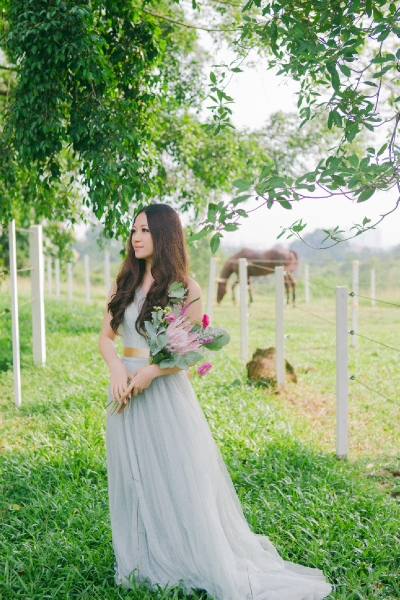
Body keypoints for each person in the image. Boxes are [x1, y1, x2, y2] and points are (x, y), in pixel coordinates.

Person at [98, 203, 332, 599]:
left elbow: (188, 351)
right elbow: (106, 338)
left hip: (164, 391)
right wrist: (118, 371)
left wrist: (152, 371)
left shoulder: (187, 288)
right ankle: (142, 555)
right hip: (124, 389)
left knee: (175, 474)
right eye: (133, 230)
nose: (136, 238)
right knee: (134, 473)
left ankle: (185, 552)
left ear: (165, 235)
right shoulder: (122, 281)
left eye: (145, 231)